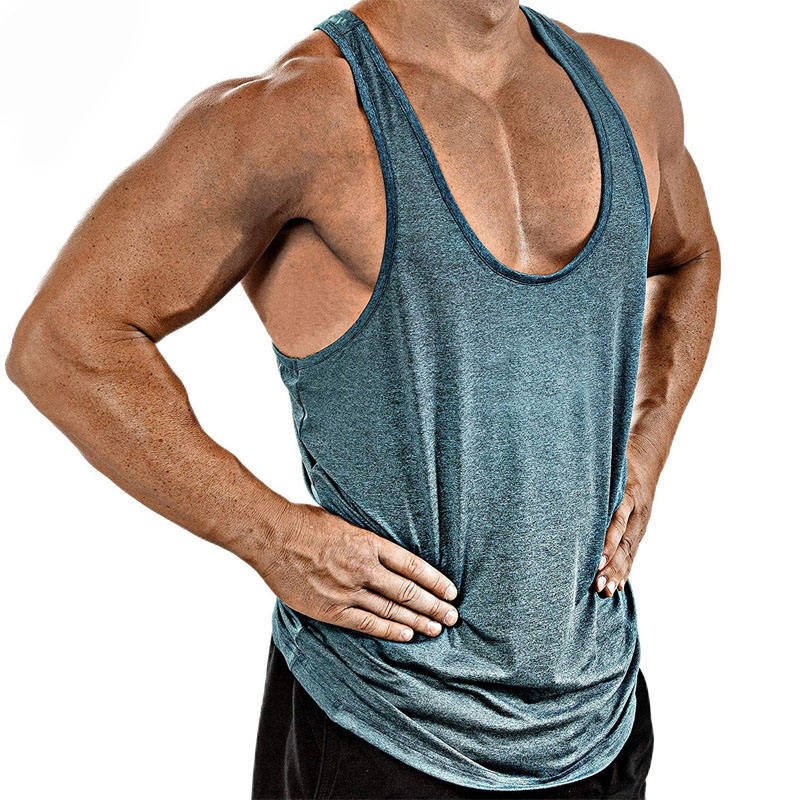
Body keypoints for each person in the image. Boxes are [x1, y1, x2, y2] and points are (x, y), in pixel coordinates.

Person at [6, 1, 719, 798]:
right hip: (382, 727)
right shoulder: (299, 115)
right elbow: (64, 343)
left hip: (598, 720)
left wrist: (648, 445)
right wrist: (271, 536)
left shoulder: (629, 89)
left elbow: (689, 255)